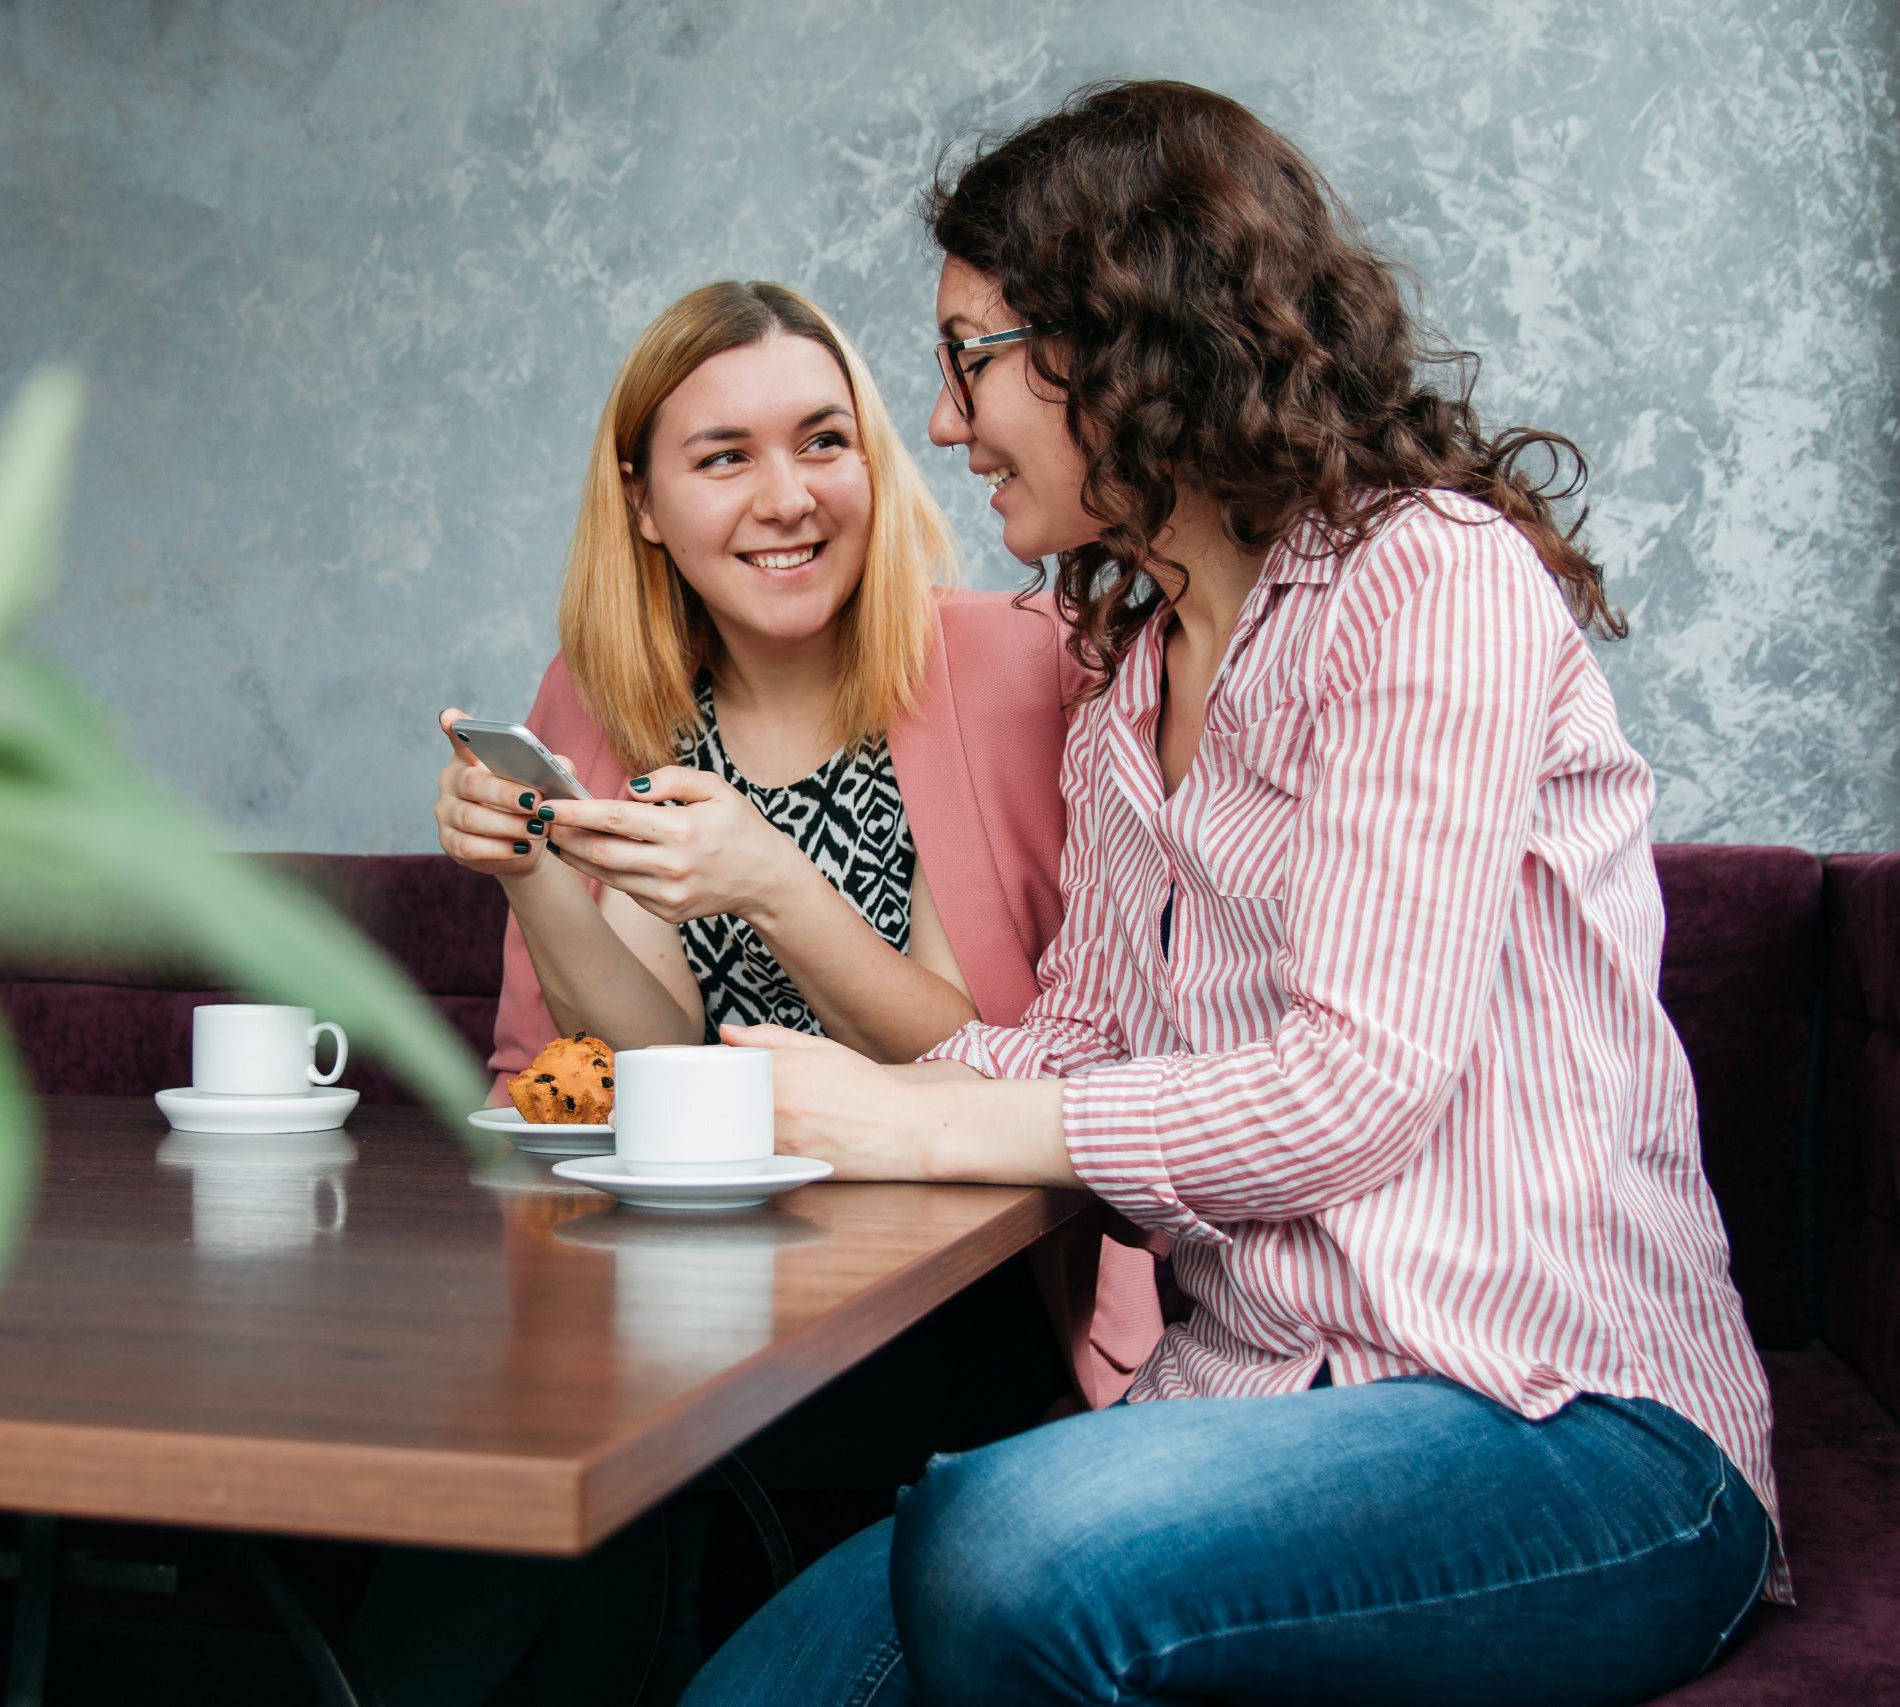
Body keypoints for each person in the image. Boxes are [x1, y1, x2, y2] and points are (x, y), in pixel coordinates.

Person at [683, 81, 1784, 1707]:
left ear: (1132, 339)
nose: (941, 422)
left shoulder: (1430, 579)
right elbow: (1088, 1048)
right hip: (1249, 1398)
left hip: (1575, 1428)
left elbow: (1353, 1087)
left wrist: (915, 1124)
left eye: (971, 357)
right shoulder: (1135, 685)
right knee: (747, 1688)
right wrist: (823, 1094)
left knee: (1004, 1548)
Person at [435, 278, 1162, 1400]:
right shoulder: (603, 696)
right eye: (724, 458)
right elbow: (655, 1057)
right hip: (680, 1277)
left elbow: (973, 1067)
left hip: (959, 1293)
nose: (789, 500)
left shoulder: (1020, 663)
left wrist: (773, 884)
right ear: (642, 503)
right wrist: (531, 872)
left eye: (824, 443)